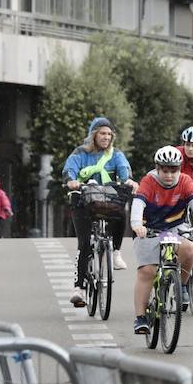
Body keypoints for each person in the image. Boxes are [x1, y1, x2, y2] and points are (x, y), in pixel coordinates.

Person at [129, 145, 193, 335]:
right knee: (147, 271)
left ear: (180, 169)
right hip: (148, 228)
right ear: (158, 169)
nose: (169, 175)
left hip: (175, 227)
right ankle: (141, 318)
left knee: (190, 249)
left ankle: (181, 286)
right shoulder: (148, 181)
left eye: (173, 170)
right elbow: (138, 203)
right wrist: (136, 224)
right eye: (164, 170)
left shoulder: (185, 181)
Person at [63, 117, 138, 307]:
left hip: (108, 200)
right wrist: (71, 180)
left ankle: (116, 252)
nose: (106, 137)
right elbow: (69, 169)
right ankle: (78, 288)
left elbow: (124, 170)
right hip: (83, 201)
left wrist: (128, 180)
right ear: (93, 135)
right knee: (85, 243)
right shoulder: (80, 153)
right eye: (102, 133)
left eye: (109, 134)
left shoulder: (116, 154)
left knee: (121, 214)